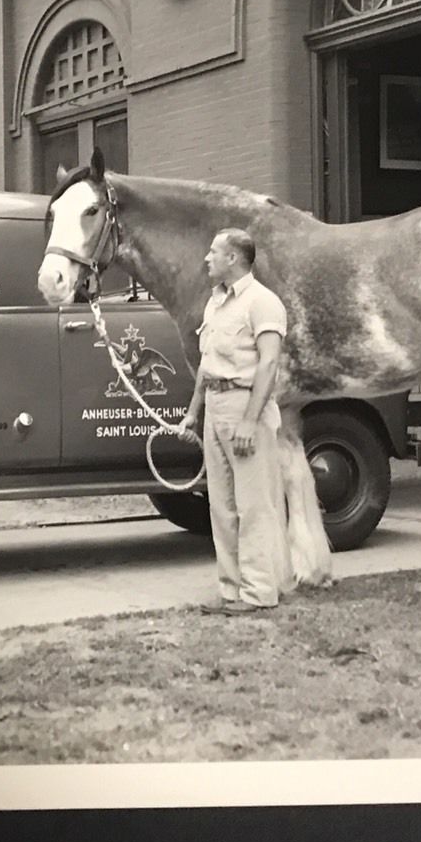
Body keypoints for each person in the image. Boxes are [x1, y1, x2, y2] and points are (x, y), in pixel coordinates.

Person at [178, 228, 289, 615]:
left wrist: (249, 420)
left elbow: (270, 363)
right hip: (215, 406)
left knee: (253, 505)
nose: (207, 258)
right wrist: (194, 412)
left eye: (213, 252)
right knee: (221, 505)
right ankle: (232, 591)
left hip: (246, 407)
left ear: (233, 259)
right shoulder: (216, 304)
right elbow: (207, 364)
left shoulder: (263, 302)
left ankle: (259, 592)